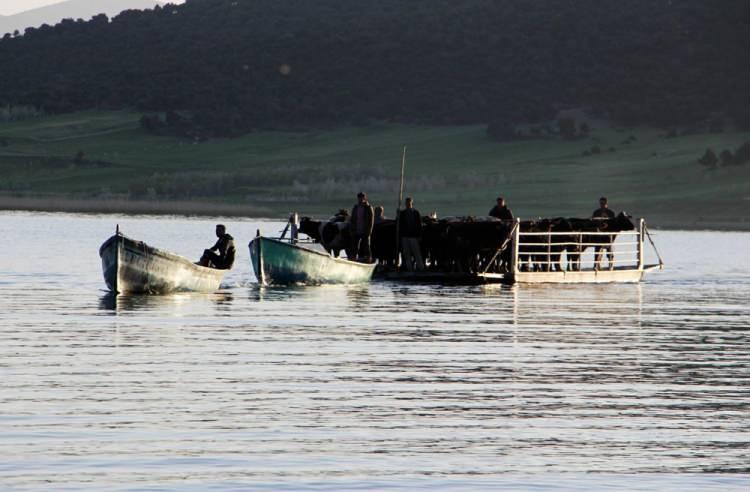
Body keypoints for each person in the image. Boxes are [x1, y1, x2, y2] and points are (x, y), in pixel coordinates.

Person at [398, 197, 425, 271]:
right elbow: (399, 224)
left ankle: (421, 268)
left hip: (413, 236)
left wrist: (419, 236)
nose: (407, 204)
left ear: (411, 203)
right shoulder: (402, 213)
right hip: (405, 236)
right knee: (407, 254)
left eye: (409, 203)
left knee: (416, 253)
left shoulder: (416, 212)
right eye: (406, 203)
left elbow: (419, 225)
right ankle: (409, 269)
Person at [349, 192, 374, 262]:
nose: (360, 199)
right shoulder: (355, 208)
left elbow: (371, 221)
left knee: (366, 246)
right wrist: (352, 230)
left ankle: (368, 259)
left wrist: (369, 231)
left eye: (361, 198)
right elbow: (352, 219)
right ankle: (353, 258)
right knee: (354, 246)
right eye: (359, 198)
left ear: (364, 198)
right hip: (356, 230)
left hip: (365, 230)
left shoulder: (368, 208)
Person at [591, 197, 615, 270]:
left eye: (603, 203)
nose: (602, 205)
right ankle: (597, 265)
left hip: (608, 235)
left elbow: (613, 224)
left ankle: (611, 265)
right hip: (598, 234)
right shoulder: (596, 212)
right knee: (598, 251)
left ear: (607, 203)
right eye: (601, 203)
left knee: (610, 250)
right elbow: (593, 222)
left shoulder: (611, 213)